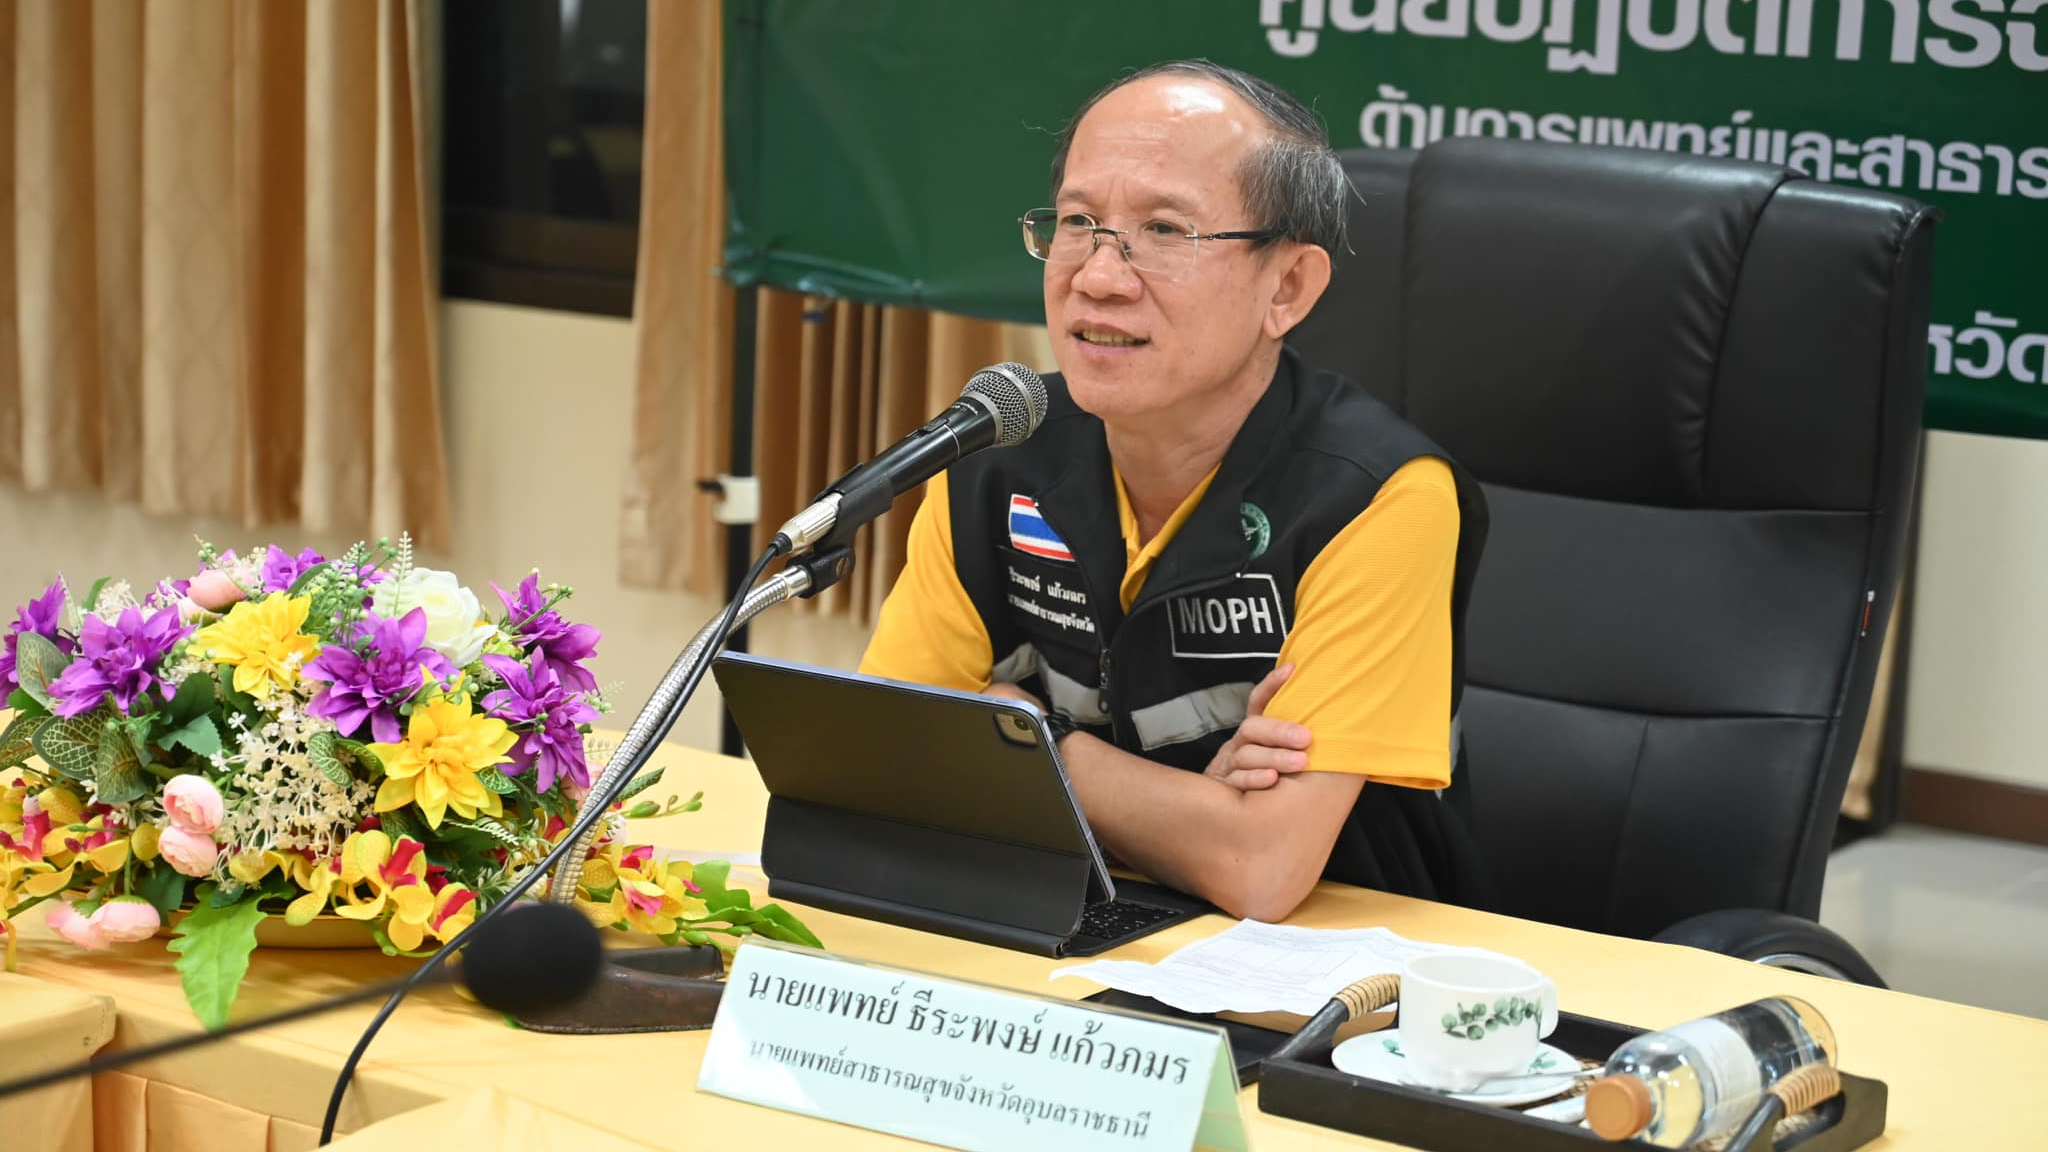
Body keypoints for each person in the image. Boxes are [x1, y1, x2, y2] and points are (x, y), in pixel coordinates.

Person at [859, 60, 1489, 922]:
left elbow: (1259, 867)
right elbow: (892, 761)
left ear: (1288, 288)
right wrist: (1192, 802)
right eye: (1079, 222)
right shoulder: (994, 453)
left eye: (1163, 230)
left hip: (1328, 987)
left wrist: (1029, 740)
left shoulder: (1378, 496)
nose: (1098, 276)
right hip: (1061, 929)